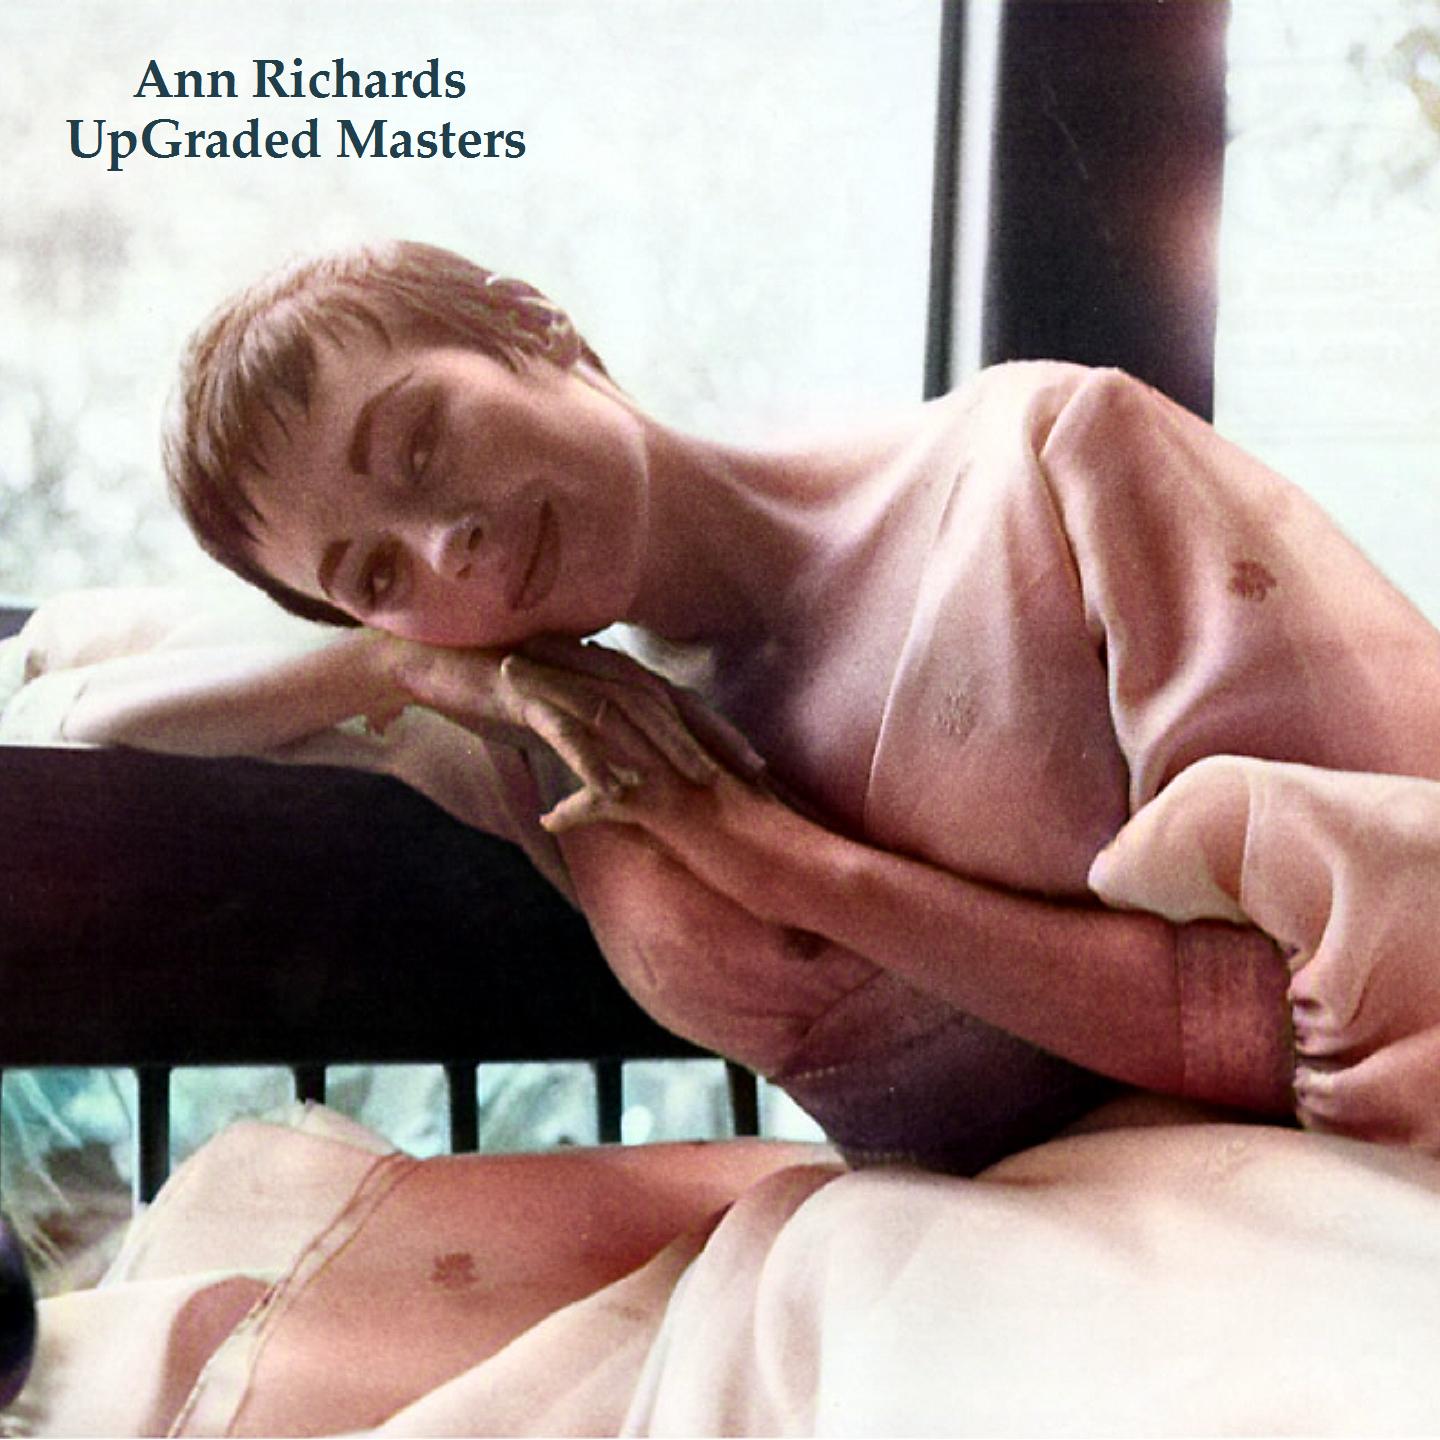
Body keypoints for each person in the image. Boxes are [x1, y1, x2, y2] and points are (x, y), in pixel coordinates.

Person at [142, 238, 1440, 1172]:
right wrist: (408, 666)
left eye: (420, 442)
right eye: (376, 576)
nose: (447, 546)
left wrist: (787, 866)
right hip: (913, 1286)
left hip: (1268, 1213)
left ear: (532, 323)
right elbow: (95, 707)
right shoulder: (564, 737)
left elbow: (1372, 989)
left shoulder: (1047, 459)